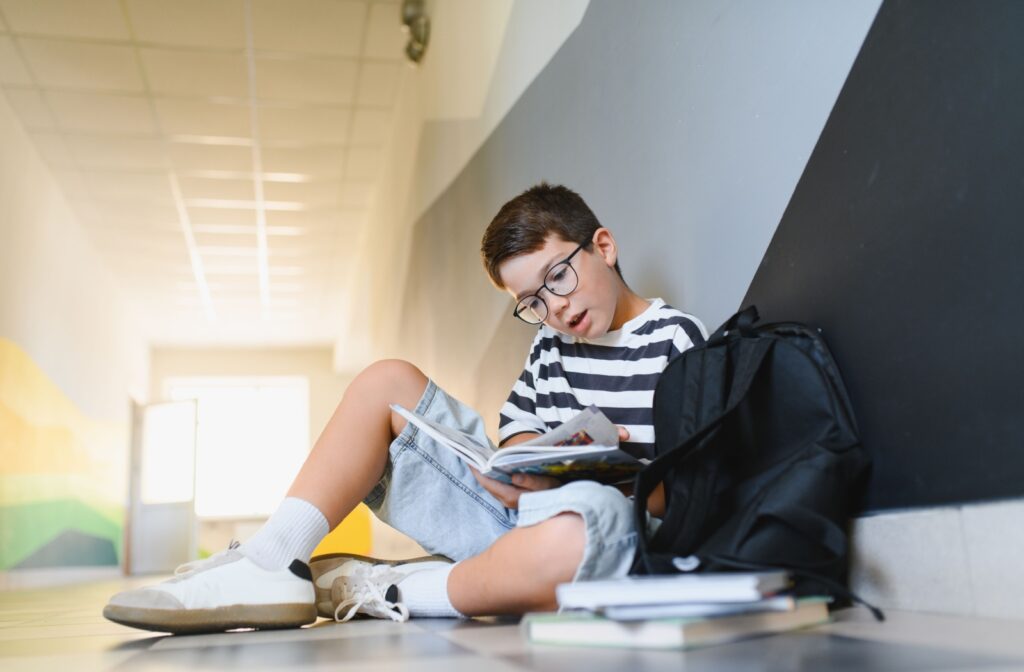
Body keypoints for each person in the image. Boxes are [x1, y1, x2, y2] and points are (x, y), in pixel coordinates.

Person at [104, 183, 707, 634]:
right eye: (532, 300)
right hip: (519, 514)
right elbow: (518, 434)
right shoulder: (550, 346)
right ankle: (272, 559)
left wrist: (611, 466)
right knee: (386, 380)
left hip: (604, 532)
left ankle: (392, 587)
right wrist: (523, 469)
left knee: (572, 545)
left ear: (602, 247)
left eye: (560, 277)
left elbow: (689, 493)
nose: (553, 307)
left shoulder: (675, 339)